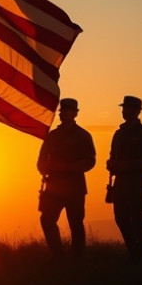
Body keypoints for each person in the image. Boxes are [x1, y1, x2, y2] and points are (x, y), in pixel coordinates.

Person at [37, 98, 96, 262]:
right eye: (62, 111)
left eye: (67, 111)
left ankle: (78, 258)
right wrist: (45, 169)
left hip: (74, 186)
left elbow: (90, 160)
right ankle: (58, 256)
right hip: (54, 186)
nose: (63, 113)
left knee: (76, 223)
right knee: (47, 220)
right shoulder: (52, 136)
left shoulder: (83, 136)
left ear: (75, 113)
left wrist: (69, 167)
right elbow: (41, 160)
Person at [106, 95, 142, 262]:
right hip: (120, 182)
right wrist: (111, 164)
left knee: (137, 218)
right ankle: (134, 251)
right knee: (120, 218)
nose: (124, 111)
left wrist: (128, 165)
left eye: (127, 108)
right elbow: (112, 156)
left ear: (136, 111)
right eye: (123, 108)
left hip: (137, 183)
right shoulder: (118, 134)